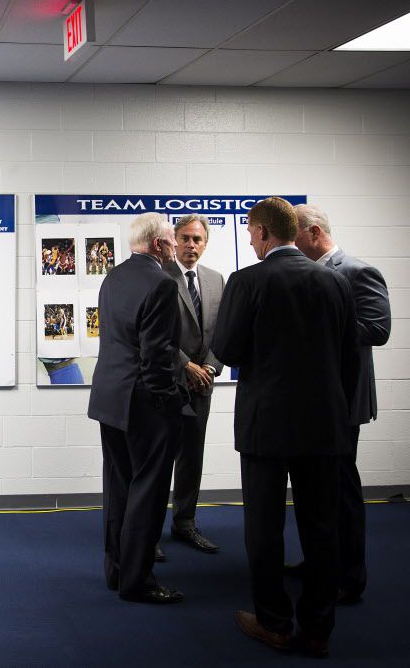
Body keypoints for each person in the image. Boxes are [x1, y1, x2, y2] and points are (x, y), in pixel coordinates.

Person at [211, 197, 359, 658]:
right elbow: (349, 358)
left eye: (252, 233)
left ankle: (274, 622)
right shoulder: (334, 282)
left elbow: (230, 349)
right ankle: (317, 630)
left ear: (260, 232)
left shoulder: (248, 280)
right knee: (321, 527)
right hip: (324, 427)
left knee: (265, 526)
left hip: (266, 427)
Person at [292, 203, 391, 605]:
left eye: (294, 236)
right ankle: (318, 563)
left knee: (340, 489)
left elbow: (378, 329)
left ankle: (350, 577)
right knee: (312, 488)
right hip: (311, 399)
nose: (290, 245)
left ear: (314, 233)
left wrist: (321, 321)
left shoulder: (356, 271)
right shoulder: (307, 274)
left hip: (343, 399)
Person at [87, 213, 188, 604]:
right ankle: (139, 582)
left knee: (118, 488)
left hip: (109, 399)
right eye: (172, 241)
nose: (176, 248)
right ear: (160, 244)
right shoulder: (161, 283)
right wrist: (169, 403)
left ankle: (116, 572)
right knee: (148, 492)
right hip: (145, 403)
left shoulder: (112, 277)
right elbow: (157, 356)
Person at [157, 215, 225, 557]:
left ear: (205, 243)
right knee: (159, 460)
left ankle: (184, 523)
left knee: (191, 459)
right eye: (185, 238)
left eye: (197, 239)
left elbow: (221, 332)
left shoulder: (216, 280)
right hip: (167, 384)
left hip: (202, 387)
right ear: (174, 240)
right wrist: (186, 367)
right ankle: (149, 534)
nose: (191, 245)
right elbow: (155, 335)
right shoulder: (159, 277)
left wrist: (209, 369)